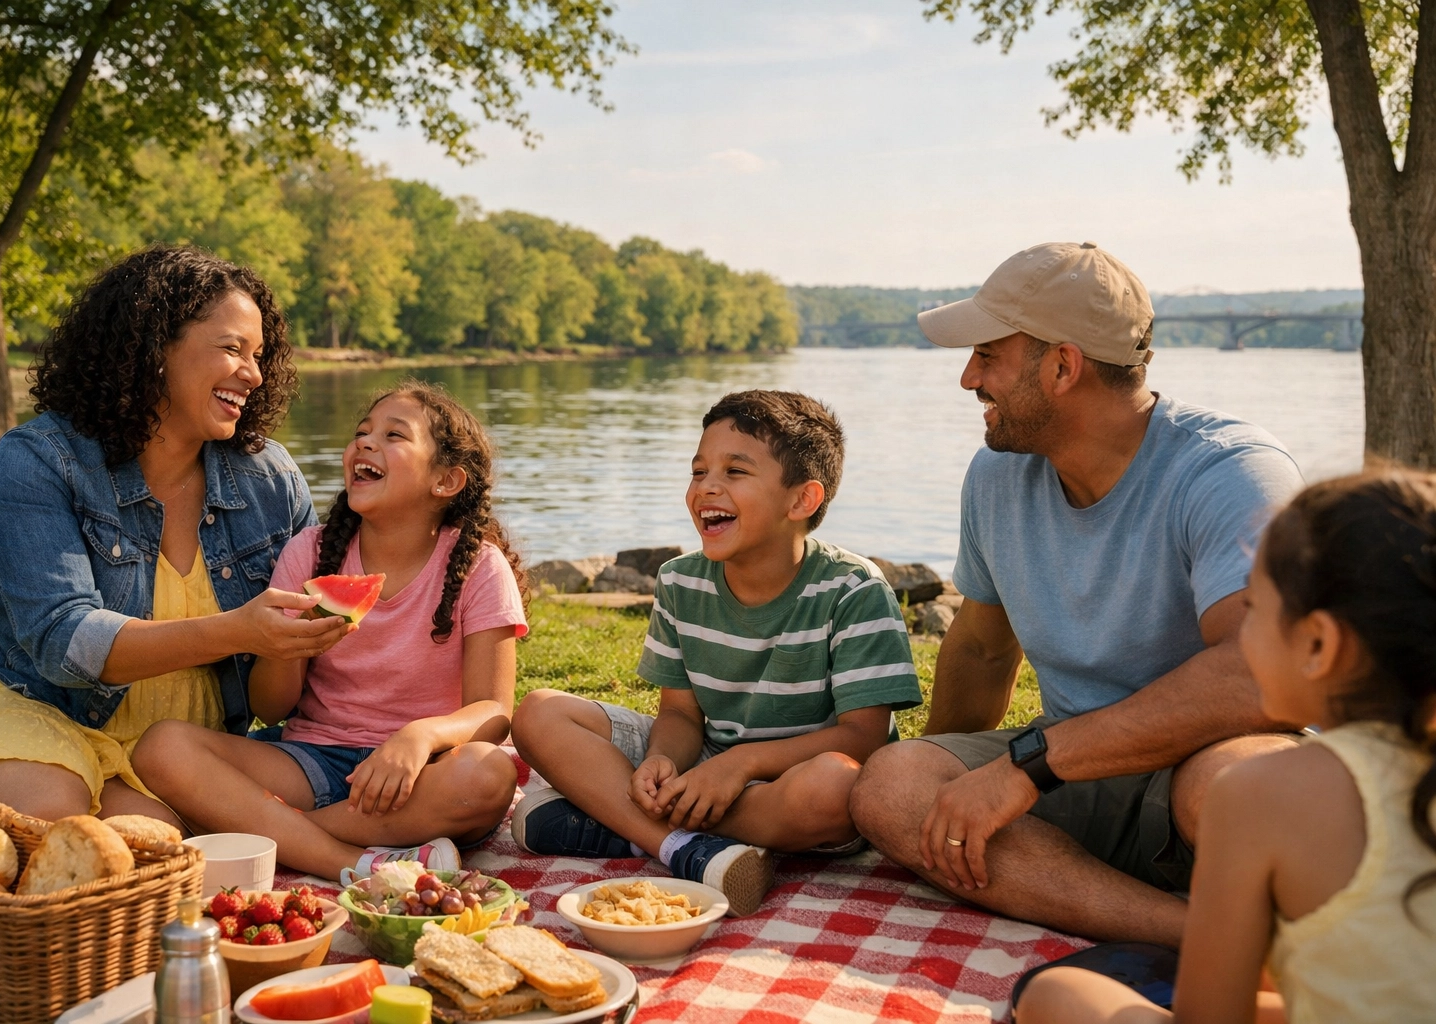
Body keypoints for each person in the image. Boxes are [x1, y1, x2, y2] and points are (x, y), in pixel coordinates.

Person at [849, 242, 1305, 946]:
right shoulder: (997, 476)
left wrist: (1033, 766)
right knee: (892, 784)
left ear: (1063, 366)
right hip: (1066, 781)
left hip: (1209, 763)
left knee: (1236, 793)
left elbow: (1261, 676)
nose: (969, 377)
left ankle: (1144, 902)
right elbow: (978, 648)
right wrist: (937, 795)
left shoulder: (1231, 473)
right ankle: (1191, 931)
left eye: (988, 355)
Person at [0, 246, 338, 827]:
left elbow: (315, 635)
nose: (254, 374)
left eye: (259, 356)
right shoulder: (41, 458)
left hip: (178, 746)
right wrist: (234, 631)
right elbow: (62, 639)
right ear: (154, 346)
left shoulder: (271, 478)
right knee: (59, 818)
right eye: (232, 349)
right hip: (31, 703)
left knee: (154, 846)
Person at [1016, 470, 1436, 1023]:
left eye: (1255, 610)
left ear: (1318, 644)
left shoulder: (1259, 794)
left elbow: (1211, 1018)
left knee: (1060, 995)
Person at [509, 389, 923, 916]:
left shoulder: (855, 591)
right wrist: (663, 760)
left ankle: (623, 822)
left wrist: (741, 764)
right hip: (703, 763)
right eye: (698, 470)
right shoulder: (680, 581)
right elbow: (680, 713)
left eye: (735, 471)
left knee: (838, 788)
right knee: (539, 712)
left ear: (802, 500)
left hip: (792, 781)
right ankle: (683, 847)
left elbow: (863, 739)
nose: (707, 487)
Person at [134, 381, 527, 882]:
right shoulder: (309, 554)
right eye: (362, 432)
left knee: (487, 775)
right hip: (312, 759)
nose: (365, 442)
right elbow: (271, 707)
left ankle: (273, 833)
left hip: (421, 778)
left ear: (446, 481)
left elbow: (494, 714)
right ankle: (352, 861)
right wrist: (286, 644)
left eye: (393, 435)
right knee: (162, 747)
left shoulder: (479, 567)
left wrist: (420, 736)